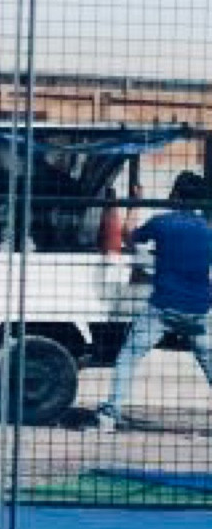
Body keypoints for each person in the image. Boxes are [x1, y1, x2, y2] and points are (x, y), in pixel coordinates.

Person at [96, 169, 212, 430]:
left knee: (128, 357)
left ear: (175, 194)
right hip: (199, 308)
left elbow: (129, 235)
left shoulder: (163, 223)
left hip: (163, 307)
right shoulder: (207, 230)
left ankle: (109, 415)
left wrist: (136, 202)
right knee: (209, 363)